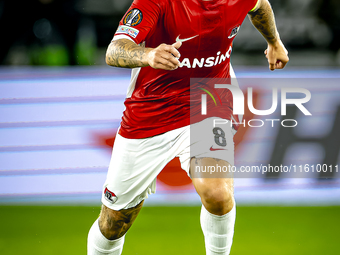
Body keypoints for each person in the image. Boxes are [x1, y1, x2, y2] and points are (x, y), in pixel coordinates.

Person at [87, 0, 289, 254]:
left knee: (217, 193)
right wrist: (148, 54)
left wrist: (274, 42)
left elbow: (260, 6)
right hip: (150, 111)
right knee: (114, 223)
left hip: (209, 99)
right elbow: (114, 50)